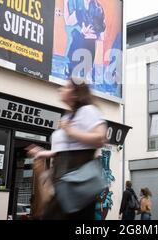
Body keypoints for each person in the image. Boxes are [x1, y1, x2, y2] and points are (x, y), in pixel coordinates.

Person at [27, 78, 107, 220]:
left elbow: (100, 138)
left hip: (77, 183)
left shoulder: (88, 111)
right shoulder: (69, 116)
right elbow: (66, 149)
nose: (61, 89)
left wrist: (70, 130)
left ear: (76, 94)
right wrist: (43, 153)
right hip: (65, 182)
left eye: (66, 87)